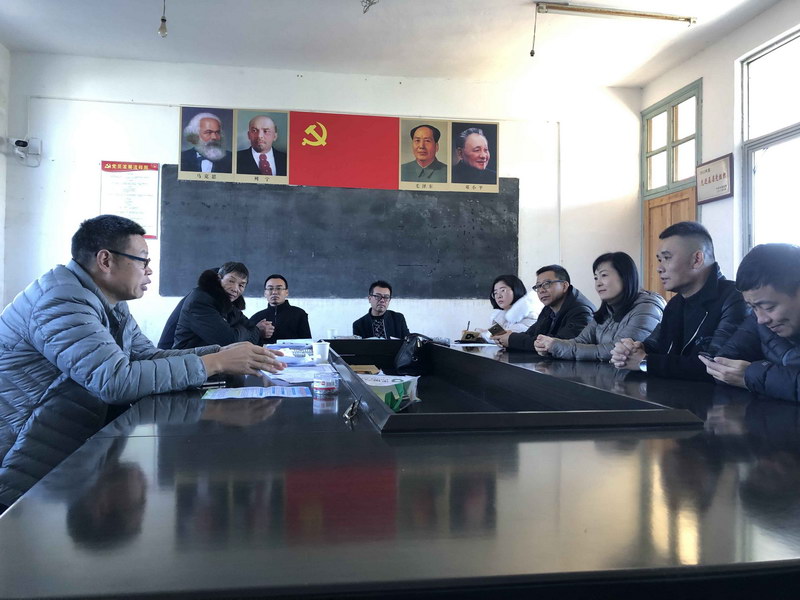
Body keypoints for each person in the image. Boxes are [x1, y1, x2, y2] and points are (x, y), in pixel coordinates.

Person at [0, 215, 284, 480]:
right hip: (25, 460)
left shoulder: (109, 301)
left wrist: (219, 353)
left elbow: (148, 356)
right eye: (142, 260)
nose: (149, 270)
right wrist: (216, 363)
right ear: (105, 260)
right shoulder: (61, 301)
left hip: (68, 448)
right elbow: (114, 380)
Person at [610, 221, 748, 379]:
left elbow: (716, 366)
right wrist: (631, 350)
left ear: (697, 259)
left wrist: (646, 362)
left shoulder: (735, 298)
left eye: (667, 258)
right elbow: (654, 344)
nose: (659, 268)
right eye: (659, 260)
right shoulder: (675, 303)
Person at [702, 243, 800, 402]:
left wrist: (753, 375)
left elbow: (747, 375)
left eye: (769, 307)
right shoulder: (759, 320)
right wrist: (724, 369)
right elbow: (726, 362)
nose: (761, 319)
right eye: (753, 307)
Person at [534, 252, 665, 361]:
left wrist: (557, 347)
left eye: (604, 275)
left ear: (625, 277)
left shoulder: (648, 308)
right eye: (596, 278)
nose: (598, 283)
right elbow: (581, 341)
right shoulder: (607, 310)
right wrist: (548, 345)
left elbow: (615, 351)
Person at [493, 265, 595, 351]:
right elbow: (532, 334)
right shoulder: (549, 309)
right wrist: (506, 340)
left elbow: (557, 344)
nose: (541, 290)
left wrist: (511, 339)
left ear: (564, 286)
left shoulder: (582, 312)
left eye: (547, 284)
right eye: (538, 286)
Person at [172, 262, 271, 349]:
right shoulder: (200, 301)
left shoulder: (228, 301)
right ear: (219, 279)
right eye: (231, 281)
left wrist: (244, 331)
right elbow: (229, 342)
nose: (235, 289)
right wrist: (257, 331)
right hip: (189, 360)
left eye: (241, 285)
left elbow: (248, 326)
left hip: (214, 358)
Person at [248, 274, 312, 344]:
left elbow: (307, 343)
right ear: (265, 293)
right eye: (270, 289)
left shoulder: (299, 314)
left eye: (279, 288)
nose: (274, 292)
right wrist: (258, 332)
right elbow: (247, 343)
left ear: (286, 292)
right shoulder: (257, 317)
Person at [481, 274, 538, 340]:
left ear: (516, 289)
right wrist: (481, 333)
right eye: (495, 293)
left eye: (503, 290)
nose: (498, 296)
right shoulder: (501, 315)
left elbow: (504, 337)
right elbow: (490, 333)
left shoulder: (529, 315)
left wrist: (483, 334)